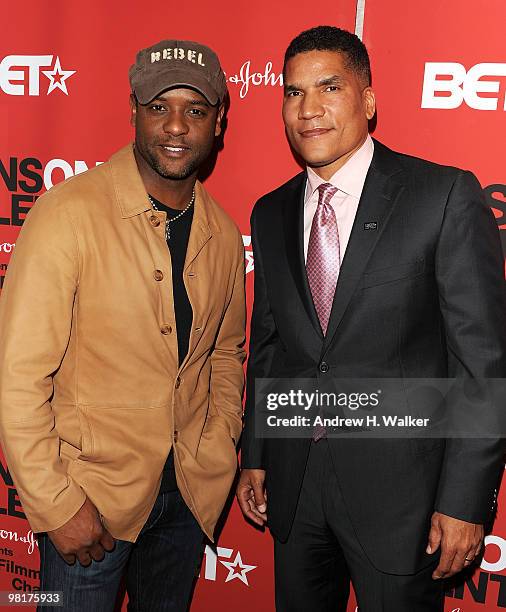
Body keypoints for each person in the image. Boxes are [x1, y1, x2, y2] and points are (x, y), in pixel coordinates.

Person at [237, 25, 506, 611]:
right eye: (292, 92)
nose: (308, 110)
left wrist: (464, 500)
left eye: (328, 87)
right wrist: (256, 451)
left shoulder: (442, 196)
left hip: (404, 497)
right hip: (297, 483)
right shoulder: (271, 210)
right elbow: (270, 344)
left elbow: (481, 365)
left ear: (369, 100)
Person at [0, 38, 245, 612]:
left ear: (219, 121)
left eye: (196, 110)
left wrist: (219, 440)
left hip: (187, 500)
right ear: (133, 110)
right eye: (160, 107)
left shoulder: (225, 234)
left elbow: (227, 354)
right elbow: (18, 375)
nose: (177, 127)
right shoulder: (68, 214)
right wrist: (57, 502)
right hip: (90, 504)